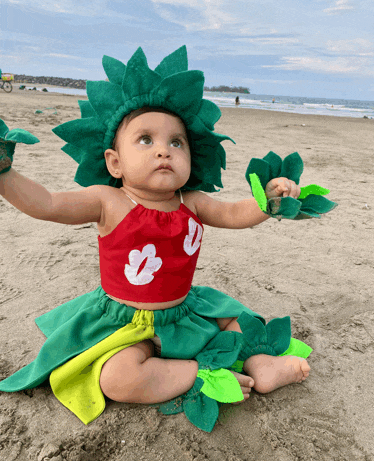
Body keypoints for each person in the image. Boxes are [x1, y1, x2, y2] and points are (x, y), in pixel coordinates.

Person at [0, 46, 313, 431]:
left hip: (185, 313)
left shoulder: (192, 202)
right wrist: (5, 174)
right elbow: (47, 204)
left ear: (190, 158)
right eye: (145, 140)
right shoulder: (108, 201)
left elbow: (234, 214)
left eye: (176, 142)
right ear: (115, 161)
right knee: (117, 378)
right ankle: (197, 373)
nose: (164, 149)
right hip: (127, 323)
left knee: (239, 318)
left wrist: (268, 201)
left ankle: (262, 365)